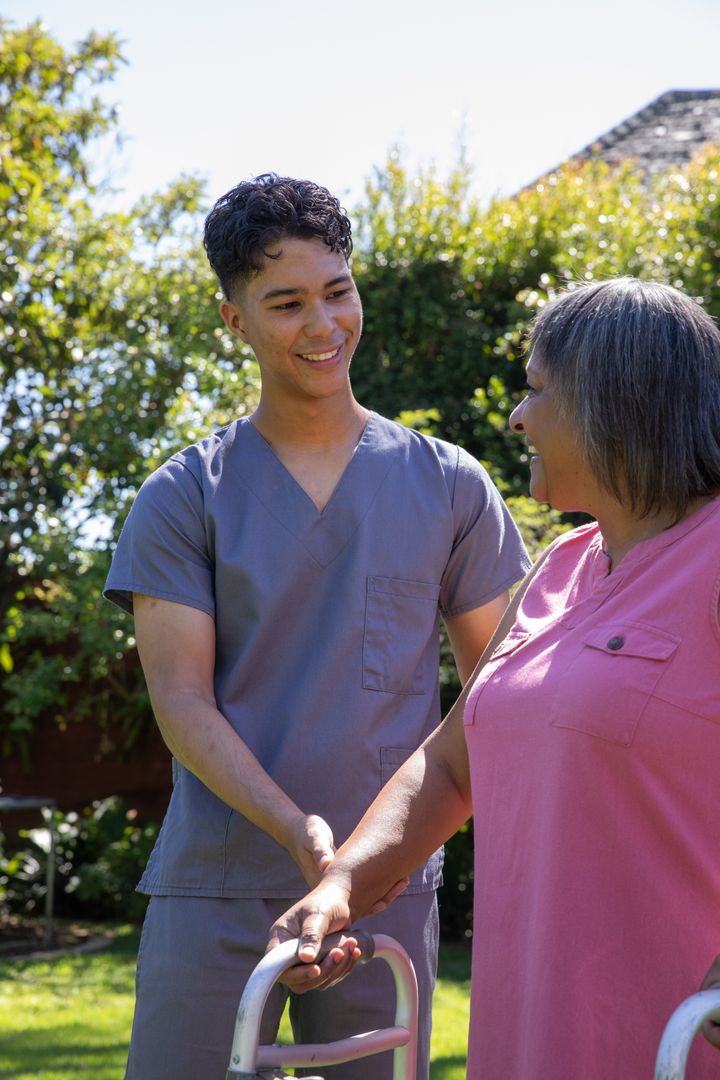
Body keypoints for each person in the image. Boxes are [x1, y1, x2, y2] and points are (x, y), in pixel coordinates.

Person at [103, 173, 530, 1079]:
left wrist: (363, 867)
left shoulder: (451, 486)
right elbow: (181, 704)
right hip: (215, 885)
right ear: (235, 320)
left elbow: (503, 702)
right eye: (287, 303)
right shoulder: (185, 497)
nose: (323, 324)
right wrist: (298, 830)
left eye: (337, 291)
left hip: (384, 893)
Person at [270, 277, 720, 1079]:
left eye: (538, 390)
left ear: (617, 401)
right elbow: (450, 763)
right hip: (530, 1027)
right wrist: (341, 885)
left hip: (677, 1037)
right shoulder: (555, 569)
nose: (518, 417)